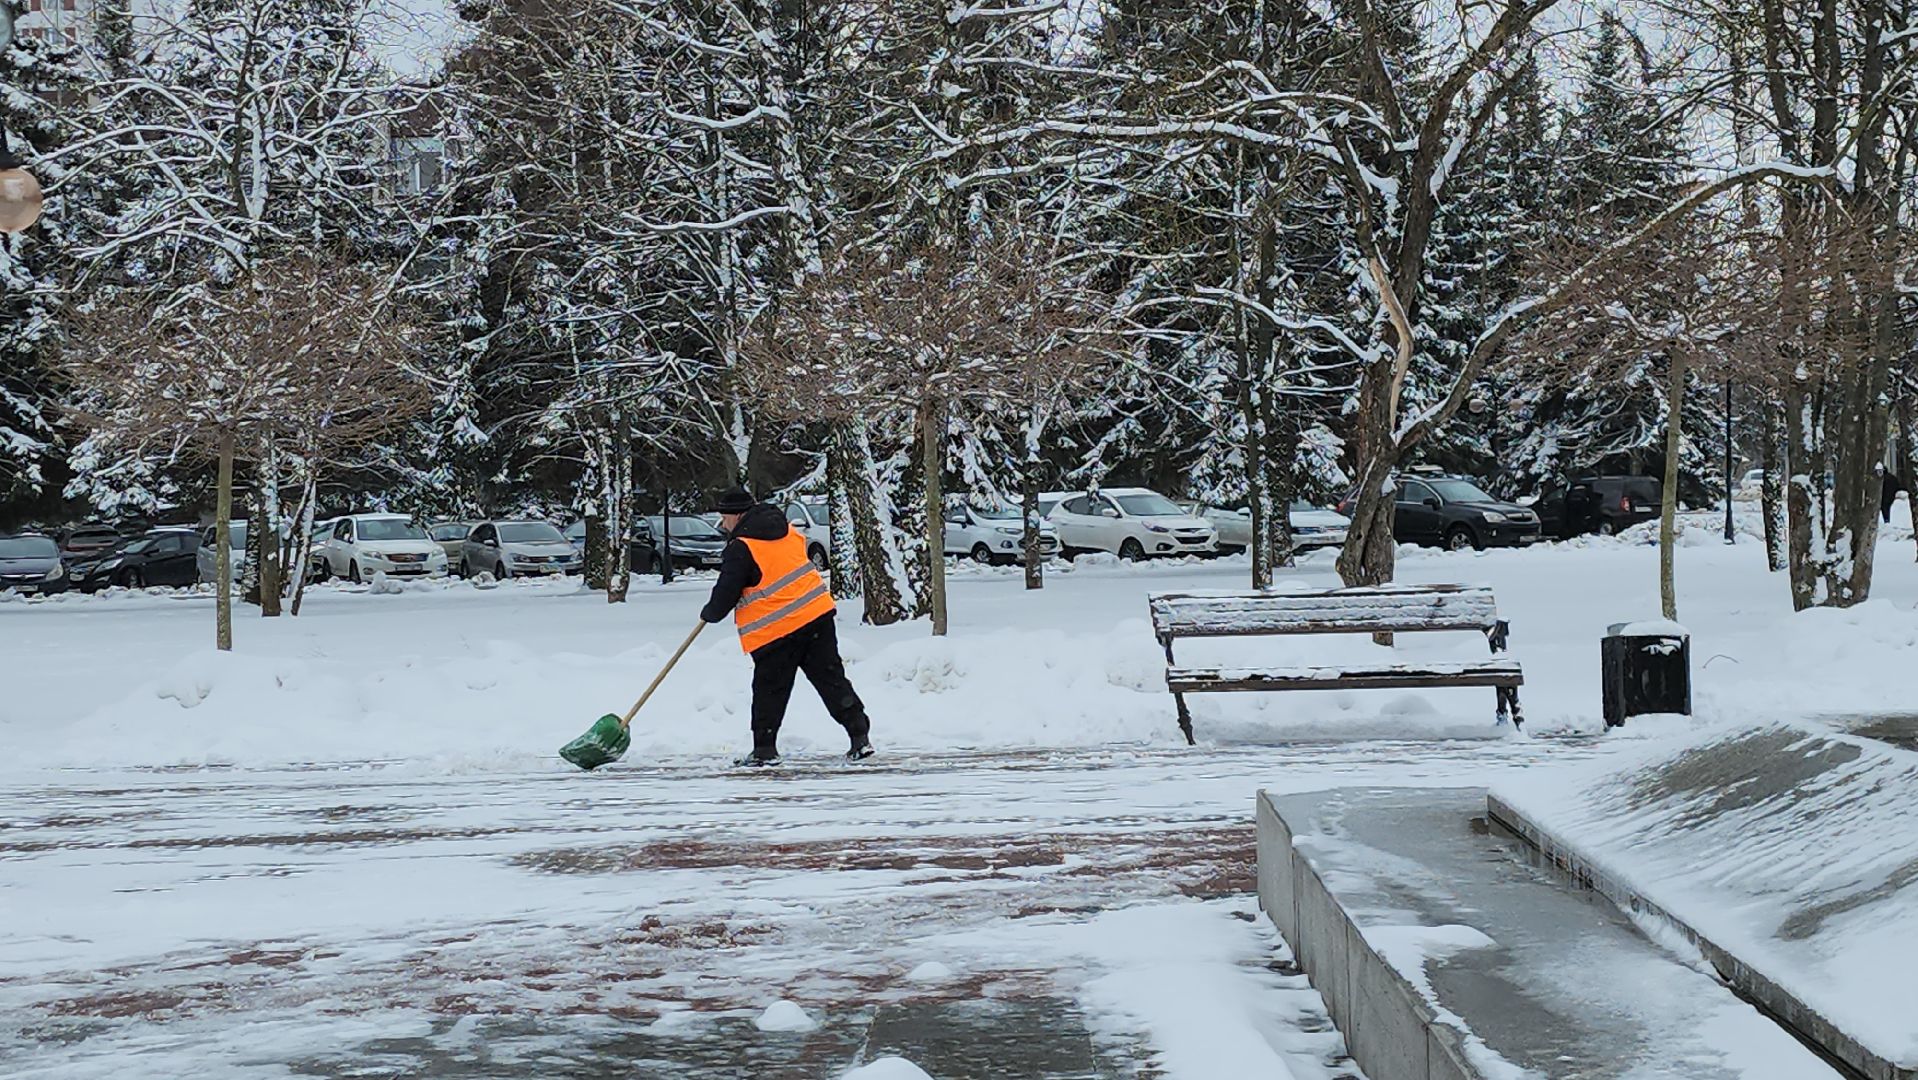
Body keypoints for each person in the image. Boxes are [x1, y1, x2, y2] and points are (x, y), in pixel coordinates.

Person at [700, 488, 874, 767]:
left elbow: (727, 591)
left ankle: (765, 750)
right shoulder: (788, 530)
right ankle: (859, 737)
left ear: (737, 516)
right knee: (830, 679)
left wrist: (710, 612)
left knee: (770, 689)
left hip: (777, 629)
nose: (722, 524)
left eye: (724, 517)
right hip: (817, 616)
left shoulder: (742, 547)